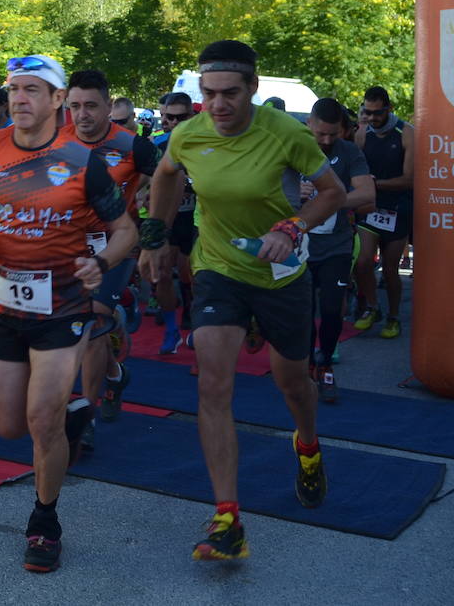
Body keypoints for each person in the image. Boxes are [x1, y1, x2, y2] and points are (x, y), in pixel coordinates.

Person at [140, 39, 343, 561]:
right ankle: (227, 516)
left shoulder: (287, 134)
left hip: (281, 274)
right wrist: (155, 237)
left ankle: (307, 444)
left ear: (253, 88)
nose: (219, 105)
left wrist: (294, 226)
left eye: (230, 93)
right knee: (212, 380)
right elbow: (166, 175)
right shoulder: (188, 134)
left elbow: (333, 194)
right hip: (219, 267)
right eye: (209, 94)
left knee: (292, 382)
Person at [0, 55, 133, 571]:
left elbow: (126, 232)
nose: (19, 99)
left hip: (65, 305)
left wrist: (100, 263)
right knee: (11, 426)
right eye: (14, 90)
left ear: (58, 102)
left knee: (39, 418)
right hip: (5, 302)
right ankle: (71, 420)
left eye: (32, 90)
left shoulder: (82, 159)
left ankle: (44, 521)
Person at [65, 70, 158, 434]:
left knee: (92, 319)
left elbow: (170, 174)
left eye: (90, 106)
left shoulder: (134, 146)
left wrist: (156, 221)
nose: (82, 115)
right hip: (68, 247)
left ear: (108, 105)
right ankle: (116, 375)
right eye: (74, 106)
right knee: (80, 327)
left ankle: (84, 419)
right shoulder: (55, 141)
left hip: (116, 245)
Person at [300, 99, 375, 403]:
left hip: (337, 245)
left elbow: (368, 194)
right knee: (303, 310)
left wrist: (328, 198)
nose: (327, 141)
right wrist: (293, 192)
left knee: (332, 308)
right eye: (321, 134)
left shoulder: (348, 151)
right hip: (299, 245)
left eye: (333, 134)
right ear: (310, 125)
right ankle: (305, 365)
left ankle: (325, 363)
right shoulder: (292, 148)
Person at [352, 86, 414, 339]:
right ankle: (373, 307)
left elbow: (409, 180)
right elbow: (355, 172)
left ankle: (394, 316)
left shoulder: (407, 133)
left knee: (390, 270)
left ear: (389, 109)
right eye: (368, 112)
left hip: (398, 207)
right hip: (370, 207)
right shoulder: (362, 133)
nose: (373, 118)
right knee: (363, 261)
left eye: (378, 113)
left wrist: (374, 183)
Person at [149, 91, 199, 351]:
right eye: (171, 117)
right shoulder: (158, 147)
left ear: (192, 115)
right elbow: (145, 182)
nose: (176, 122)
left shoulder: (204, 143)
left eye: (182, 117)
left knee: (191, 272)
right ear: (163, 118)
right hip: (170, 216)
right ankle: (172, 329)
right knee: (163, 274)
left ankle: (193, 310)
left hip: (196, 218)